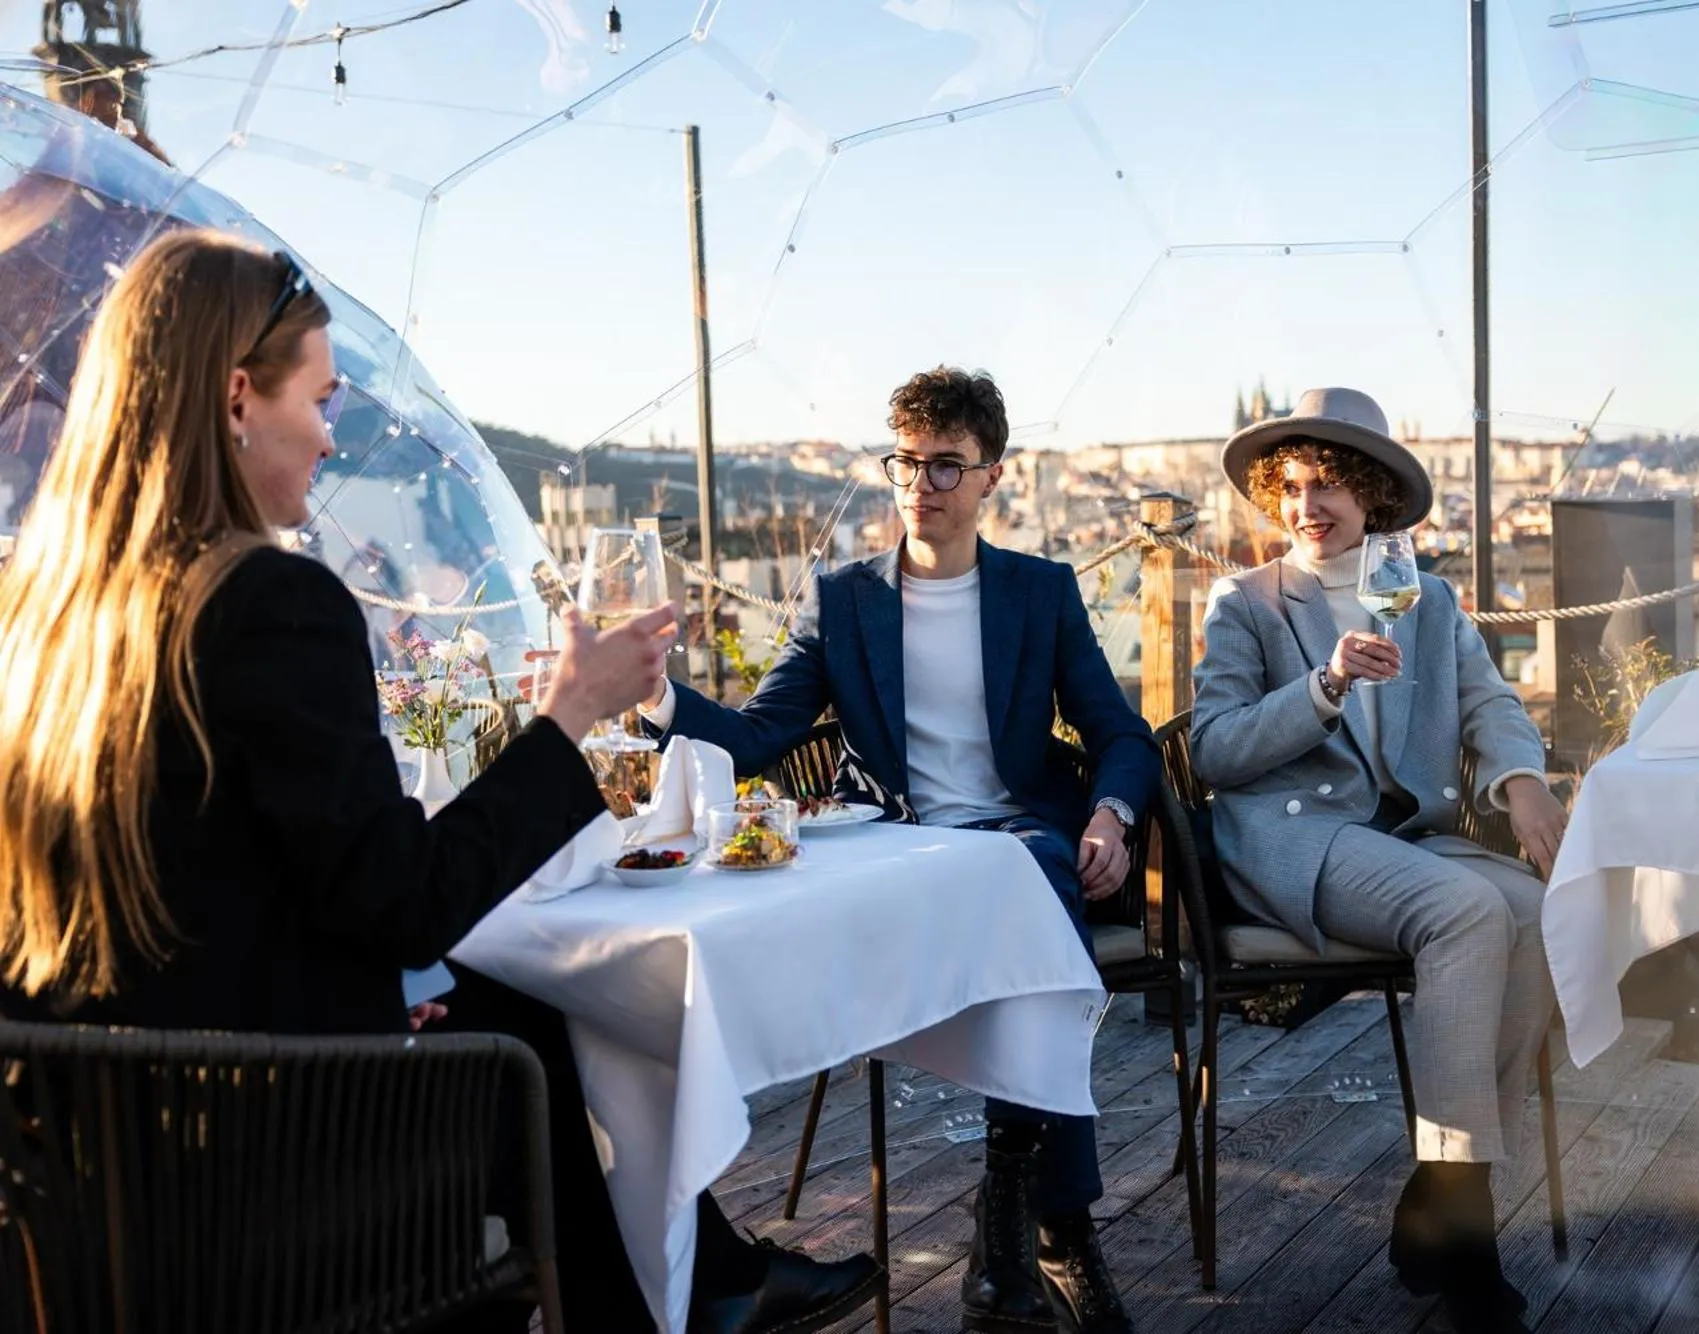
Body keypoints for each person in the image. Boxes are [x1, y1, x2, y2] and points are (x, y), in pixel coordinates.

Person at [0, 230, 877, 1334]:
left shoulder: (44, 620)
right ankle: (681, 1298)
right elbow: (402, 898)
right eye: (318, 401)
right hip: (267, 1171)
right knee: (543, 1053)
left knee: (524, 1005)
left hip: (90, 1170)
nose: (327, 439)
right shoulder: (268, 602)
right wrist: (569, 714)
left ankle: (708, 1287)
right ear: (236, 398)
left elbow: (217, 874)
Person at [642, 366, 1159, 1334]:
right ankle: (1040, 1237)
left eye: (945, 466)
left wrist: (1112, 816)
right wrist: (658, 696)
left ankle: (1035, 1222)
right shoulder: (845, 601)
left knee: (1033, 893)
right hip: (897, 850)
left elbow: (1119, 734)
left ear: (992, 476)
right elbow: (758, 736)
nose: (921, 484)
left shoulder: (1040, 594)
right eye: (906, 463)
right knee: (1034, 922)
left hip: (1015, 838)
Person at [1189, 388, 1569, 1334]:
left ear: (1368, 494)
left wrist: (1521, 780)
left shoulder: (1423, 596)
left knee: (1532, 910)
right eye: (1290, 487)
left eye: (1327, 486)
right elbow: (1215, 750)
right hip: (1295, 842)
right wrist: (1323, 686)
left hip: (1400, 838)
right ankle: (1466, 1232)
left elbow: (1489, 704)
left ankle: (1441, 1191)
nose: (1304, 507)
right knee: (1468, 913)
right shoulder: (1245, 601)